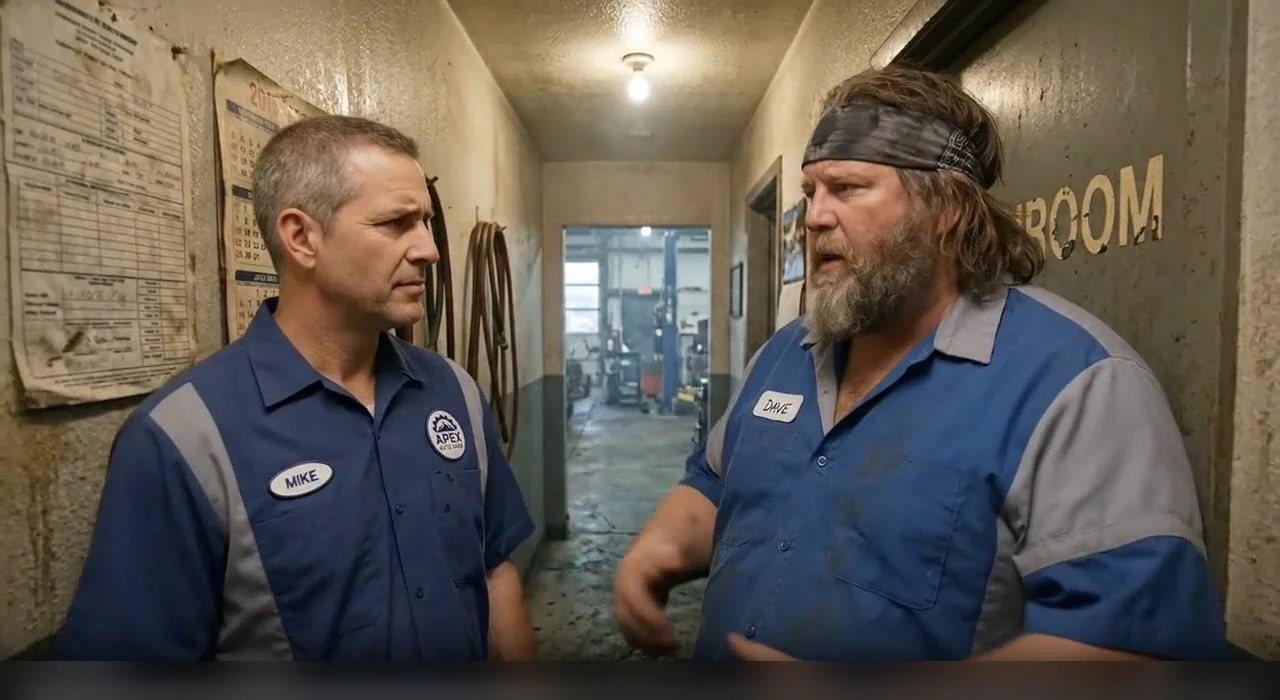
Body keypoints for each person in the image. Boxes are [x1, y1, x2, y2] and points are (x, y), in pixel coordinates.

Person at [613, 65, 1227, 661]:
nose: (815, 217)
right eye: (811, 192)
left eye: (847, 189)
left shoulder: (1079, 386)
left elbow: (1136, 649)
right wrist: (655, 549)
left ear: (947, 209)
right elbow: (717, 487)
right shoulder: (785, 354)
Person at [53, 115, 537, 661]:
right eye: (397, 224)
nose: (429, 249)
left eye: (424, 222)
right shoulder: (182, 440)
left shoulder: (455, 392)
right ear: (301, 237)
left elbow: (494, 570)